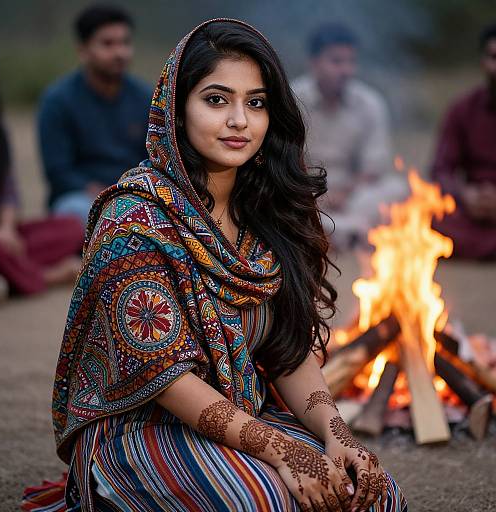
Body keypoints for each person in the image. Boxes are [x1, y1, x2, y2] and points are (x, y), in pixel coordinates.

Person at [23, 19, 407, 512]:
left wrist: (338, 435)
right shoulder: (134, 221)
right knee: (263, 502)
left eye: (256, 103)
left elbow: (287, 350)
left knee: (370, 494)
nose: (239, 121)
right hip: (142, 424)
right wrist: (280, 449)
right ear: (176, 109)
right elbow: (163, 375)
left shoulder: (267, 210)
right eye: (216, 100)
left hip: (244, 414)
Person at [0, 38, 83, 301]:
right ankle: (50, 276)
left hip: (0, 234)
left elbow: (7, 190)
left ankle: (1, 278)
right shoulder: (59, 99)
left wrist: (5, 227)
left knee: (72, 228)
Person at [292, 23, 406, 249]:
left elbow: (374, 167)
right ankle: (354, 233)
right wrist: (316, 194)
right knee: (279, 199)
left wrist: (343, 193)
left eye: (351, 62)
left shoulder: (369, 103)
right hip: (305, 191)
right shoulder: (293, 99)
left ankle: (330, 232)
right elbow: (283, 160)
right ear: (314, 63)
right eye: (336, 61)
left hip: (353, 194)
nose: (346, 70)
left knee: (398, 188)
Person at [38, 4, 152, 224]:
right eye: (108, 44)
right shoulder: (58, 100)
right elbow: (58, 171)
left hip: (134, 194)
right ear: (83, 51)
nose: (120, 52)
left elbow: (154, 158)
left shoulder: (146, 98)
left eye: (125, 43)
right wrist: (103, 194)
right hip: (81, 197)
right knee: (85, 212)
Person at [431, 23, 496, 259]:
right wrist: (465, 194)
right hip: (471, 210)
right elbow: (441, 169)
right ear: (483, 62)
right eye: (494, 57)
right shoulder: (463, 109)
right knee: (423, 215)